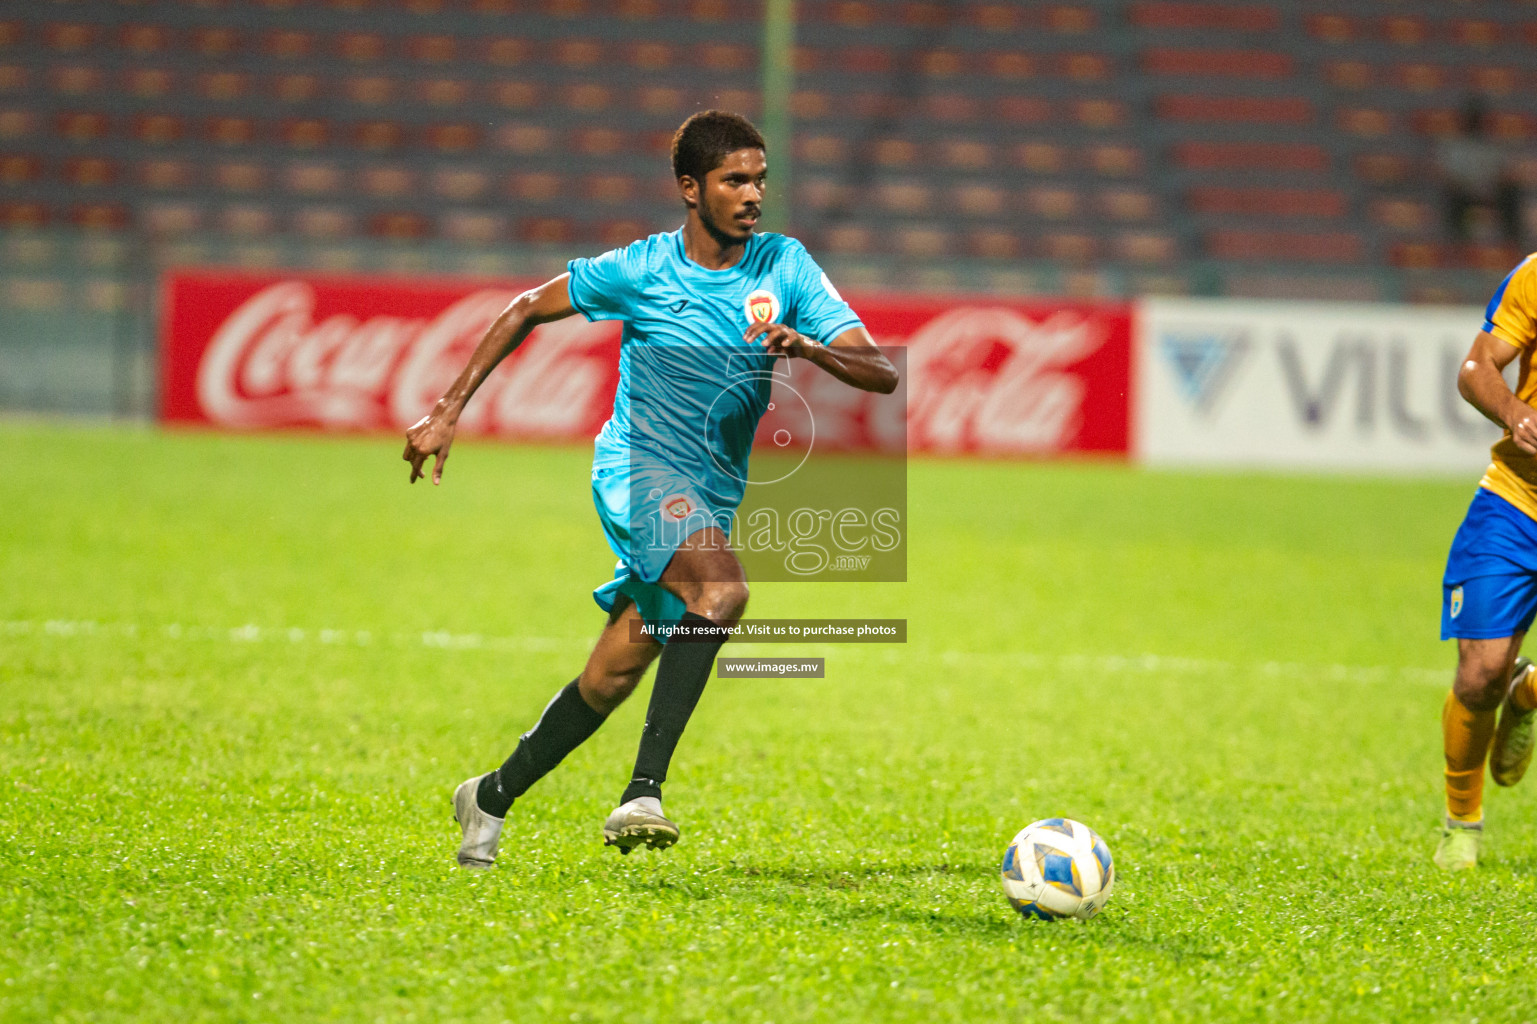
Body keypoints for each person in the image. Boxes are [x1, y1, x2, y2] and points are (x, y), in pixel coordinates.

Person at [401, 110, 900, 868]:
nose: (753, 194)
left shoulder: (785, 267)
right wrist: (446, 410)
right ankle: (644, 791)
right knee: (723, 594)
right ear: (690, 189)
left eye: (760, 178)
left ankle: (489, 796)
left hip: (710, 493)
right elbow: (526, 306)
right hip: (636, 470)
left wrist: (808, 347)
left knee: (613, 673)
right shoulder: (641, 269)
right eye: (735, 179)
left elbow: (881, 371)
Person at [1435, 251, 1537, 870]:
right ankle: (1461, 823)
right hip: (1518, 502)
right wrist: (1514, 411)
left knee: (1502, 682)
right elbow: (1476, 368)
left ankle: (1527, 693)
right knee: (1479, 674)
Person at [1436, 96, 1524, 249]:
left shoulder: (1494, 145)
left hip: (1492, 193)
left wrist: (1490, 188)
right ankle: (1456, 247)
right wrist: (1469, 188)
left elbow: (1504, 173)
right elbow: (1448, 177)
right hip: (1464, 194)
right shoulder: (1454, 146)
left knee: (1511, 193)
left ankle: (1513, 244)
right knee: (1450, 197)